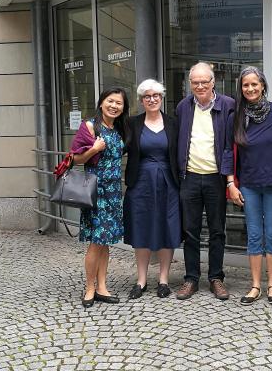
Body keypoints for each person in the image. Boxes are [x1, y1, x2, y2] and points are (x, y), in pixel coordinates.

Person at [175, 62, 236, 300]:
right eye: (195, 82)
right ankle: (191, 278)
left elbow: (230, 145)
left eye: (204, 81)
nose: (200, 86)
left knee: (217, 230)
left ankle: (216, 278)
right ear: (190, 84)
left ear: (213, 82)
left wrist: (229, 178)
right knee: (190, 230)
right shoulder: (183, 107)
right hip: (189, 177)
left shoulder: (228, 105)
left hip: (215, 178)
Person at [227, 67, 272, 305]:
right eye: (245, 85)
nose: (250, 88)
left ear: (263, 85)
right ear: (240, 88)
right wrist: (230, 183)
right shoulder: (236, 116)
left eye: (254, 84)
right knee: (253, 235)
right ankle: (255, 286)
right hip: (249, 184)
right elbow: (228, 152)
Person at [71, 87, 130, 308]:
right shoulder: (89, 126)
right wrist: (94, 149)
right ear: (102, 102)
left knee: (105, 241)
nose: (114, 106)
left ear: (123, 108)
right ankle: (89, 288)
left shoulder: (119, 129)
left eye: (119, 103)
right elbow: (75, 159)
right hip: (95, 191)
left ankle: (102, 287)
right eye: (110, 101)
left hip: (113, 192)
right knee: (96, 242)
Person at [124, 79, 181, 299]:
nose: (152, 99)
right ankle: (141, 280)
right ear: (141, 100)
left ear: (161, 98)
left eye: (156, 95)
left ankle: (164, 279)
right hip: (140, 183)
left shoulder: (173, 123)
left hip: (168, 182)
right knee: (141, 227)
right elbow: (118, 147)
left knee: (168, 226)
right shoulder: (132, 123)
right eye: (147, 96)